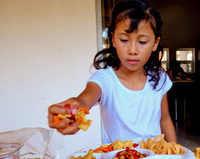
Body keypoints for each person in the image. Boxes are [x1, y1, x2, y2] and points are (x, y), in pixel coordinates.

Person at [48, 0, 177, 144]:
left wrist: (177, 155)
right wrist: (73, 109)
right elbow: (84, 100)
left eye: (142, 42)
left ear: (155, 44)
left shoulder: (160, 78)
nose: (132, 50)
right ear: (113, 39)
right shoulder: (105, 79)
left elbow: (164, 119)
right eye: (124, 40)